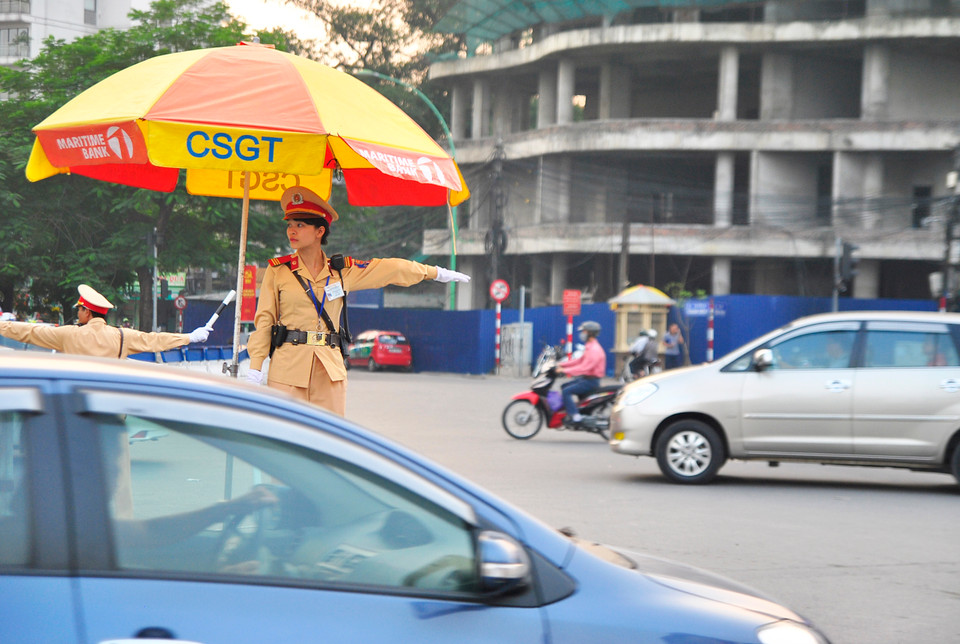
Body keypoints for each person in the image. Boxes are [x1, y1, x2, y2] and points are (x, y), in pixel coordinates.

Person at [245, 186, 470, 416]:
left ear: (319, 231)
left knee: (329, 441)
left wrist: (433, 272)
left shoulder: (341, 272)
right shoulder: (279, 271)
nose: (291, 230)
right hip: (287, 371)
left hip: (329, 372)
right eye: (289, 225)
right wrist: (255, 368)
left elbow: (388, 269)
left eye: (300, 225)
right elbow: (265, 322)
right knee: (285, 440)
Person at [0, 284, 213, 358]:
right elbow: (154, 340)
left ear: (88, 312)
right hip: (111, 411)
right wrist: (189, 337)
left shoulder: (68, 334)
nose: (78, 312)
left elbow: (30, 332)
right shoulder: (122, 336)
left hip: (76, 409)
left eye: (80, 309)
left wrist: (3, 325)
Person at [555, 320, 606, 426]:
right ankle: (572, 409)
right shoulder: (589, 346)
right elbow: (579, 361)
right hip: (586, 378)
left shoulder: (594, 350)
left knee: (566, 391)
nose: (582, 334)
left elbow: (584, 368)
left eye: (584, 332)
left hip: (591, 381)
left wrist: (564, 371)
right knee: (564, 385)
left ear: (590, 333)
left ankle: (575, 416)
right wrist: (562, 364)